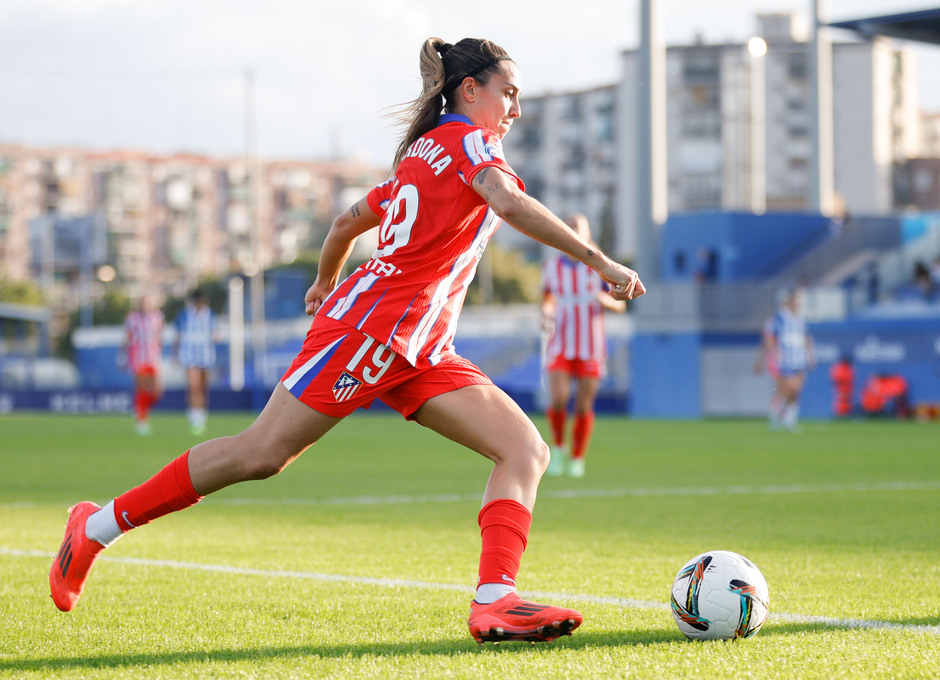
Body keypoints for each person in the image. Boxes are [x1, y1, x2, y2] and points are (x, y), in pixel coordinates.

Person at [49, 37, 645, 645]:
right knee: (260, 454)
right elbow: (507, 201)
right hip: (373, 330)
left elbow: (344, 224)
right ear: (471, 89)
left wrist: (324, 281)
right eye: (508, 93)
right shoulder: (471, 143)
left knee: (525, 450)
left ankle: (496, 600)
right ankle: (94, 527)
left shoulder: (422, 153)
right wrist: (600, 262)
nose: (515, 109)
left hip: (420, 344)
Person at [540, 214, 625, 478]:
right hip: (561, 342)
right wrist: (545, 313)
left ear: (587, 234)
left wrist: (606, 300)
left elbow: (620, 304)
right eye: (570, 227)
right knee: (558, 399)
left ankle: (577, 457)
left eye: (579, 228)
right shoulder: (552, 267)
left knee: (582, 406)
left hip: (591, 345)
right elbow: (546, 299)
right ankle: (558, 448)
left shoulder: (600, 267)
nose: (574, 231)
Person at [754, 287, 815, 432]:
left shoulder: (800, 319)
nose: (797, 303)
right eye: (795, 300)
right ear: (788, 301)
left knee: (796, 390)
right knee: (787, 388)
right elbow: (768, 337)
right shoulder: (779, 318)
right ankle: (776, 415)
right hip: (784, 359)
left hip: (799, 358)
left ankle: (789, 419)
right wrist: (773, 354)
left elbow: (806, 338)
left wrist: (811, 355)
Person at [121, 295, 165, 435]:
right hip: (138, 357)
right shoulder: (132, 318)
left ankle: (139, 408)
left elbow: (159, 336)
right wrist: (122, 357)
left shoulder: (157, 316)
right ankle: (142, 420)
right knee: (141, 389)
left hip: (153, 357)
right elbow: (126, 337)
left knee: (156, 391)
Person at [175, 288, 217, 435]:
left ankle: (202, 416)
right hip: (189, 356)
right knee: (194, 387)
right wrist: (176, 355)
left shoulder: (210, 314)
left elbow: (215, 332)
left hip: (206, 356)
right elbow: (178, 336)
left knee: (203, 388)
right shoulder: (185, 315)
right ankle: (195, 419)